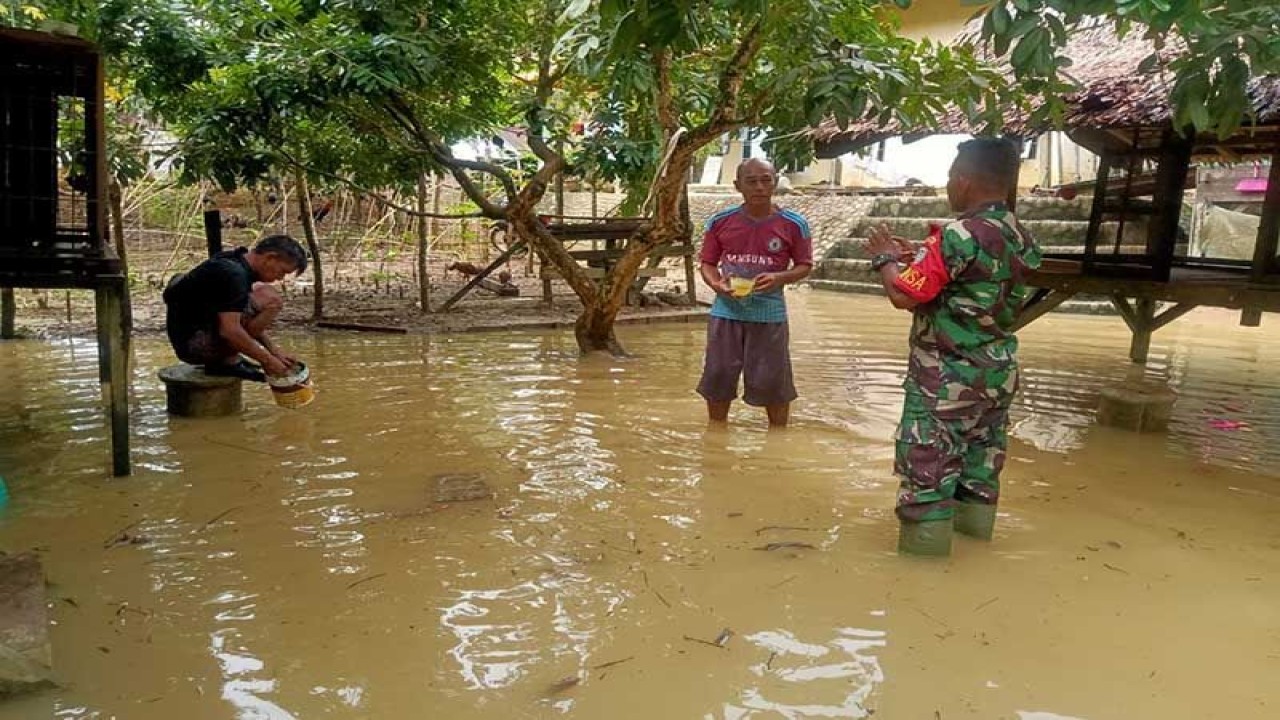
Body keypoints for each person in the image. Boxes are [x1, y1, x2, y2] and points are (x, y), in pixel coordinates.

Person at [864, 137, 1042, 556]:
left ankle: (921, 583)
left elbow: (904, 295)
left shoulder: (956, 236)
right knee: (980, 474)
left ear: (963, 181)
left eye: (949, 176)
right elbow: (973, 284)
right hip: (997, 376)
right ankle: (976, 555)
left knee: (926, 475)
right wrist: (921, 258)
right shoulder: (1020, 235)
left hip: (945, 381)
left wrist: (886, 259)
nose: (947, 185)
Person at [697, 158, 813, 427]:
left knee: (773, 381)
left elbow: (805, 265)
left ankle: (778, 439)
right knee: (718, 376)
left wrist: (779, 277)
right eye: (751, 181)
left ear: (775, 182)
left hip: (770, 314)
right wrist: (717, 285)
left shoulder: (794, 224)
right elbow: (707, 263)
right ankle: (716, 434)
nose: (760, 187)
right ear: (738, 186)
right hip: (726, 312)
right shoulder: (720, 222)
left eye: (766, 180)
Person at [163, 235, 309, 382]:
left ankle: (228, 358)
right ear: (270, 258)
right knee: (271, 300)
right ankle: (226, 361)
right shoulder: (234, 275)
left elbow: (237, 315)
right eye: (282, 271)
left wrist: (274, 352)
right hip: (194, 347)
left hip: (192, 333)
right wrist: (268, 361)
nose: (280, 278)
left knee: (267, 297)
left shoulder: (235, 260)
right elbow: (230, 330)